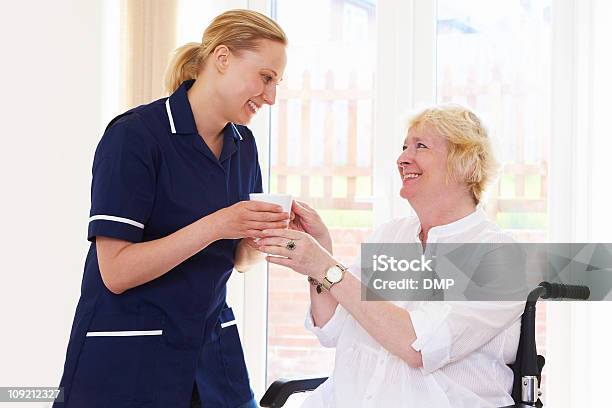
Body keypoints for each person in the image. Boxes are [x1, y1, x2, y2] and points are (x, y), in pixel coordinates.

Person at [54, 10, 288, 408]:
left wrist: (261, 235)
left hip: (213, 356)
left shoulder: (242, 145)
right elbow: (116, 271)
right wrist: (217, 225)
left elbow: (240, 260)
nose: (271, 96)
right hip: (132, 359)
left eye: (277, 83)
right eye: (266, 77)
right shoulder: (135, 136)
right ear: (222, 58)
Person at [257, 105, 525, 407]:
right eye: (404, 147)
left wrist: (327, 267)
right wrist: (320, 254)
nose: (402, 159)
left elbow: (418, 346)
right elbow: (333, 328)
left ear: (464, 164)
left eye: (420, 146)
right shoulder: (390, 236)